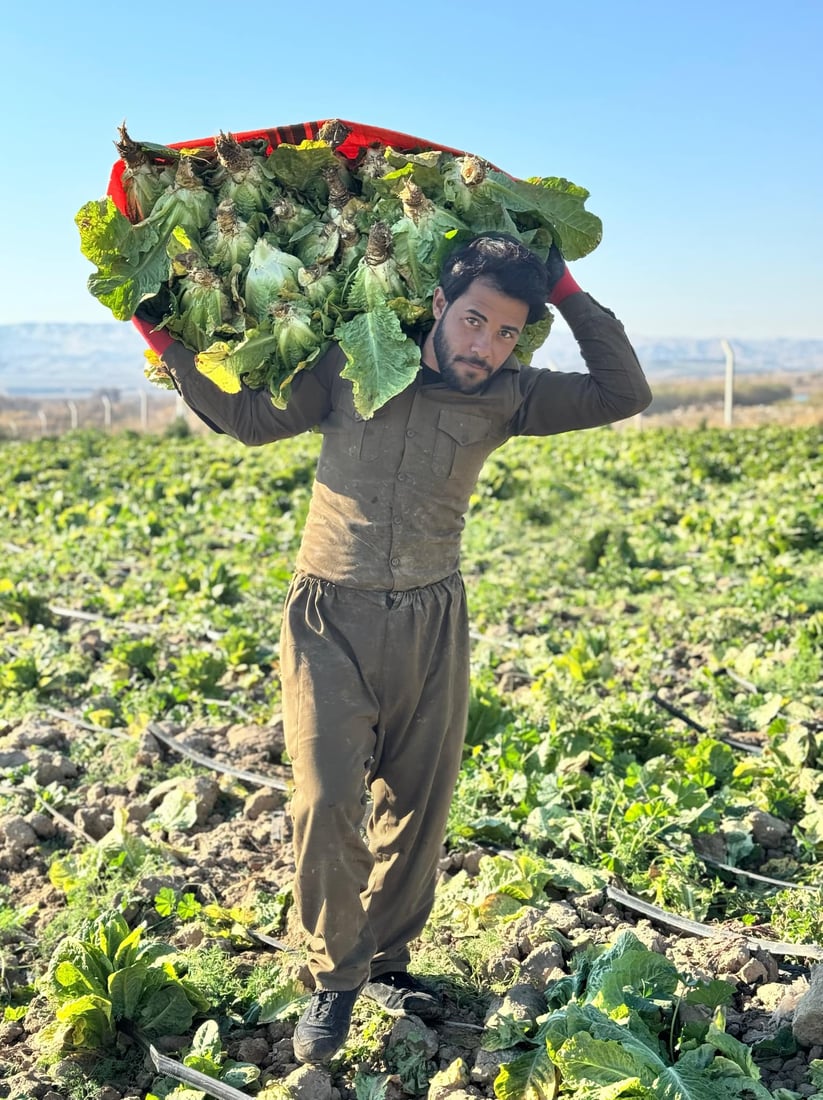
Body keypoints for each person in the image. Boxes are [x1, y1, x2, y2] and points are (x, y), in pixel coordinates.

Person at [135, 233, 652, 1064]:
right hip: (328, 616)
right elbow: (249, 420)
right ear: (439, 305)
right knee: (325, 799)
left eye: (506, 333)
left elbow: (624, 392)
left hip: (430, 619)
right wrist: (161, 336)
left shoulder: (511, 396)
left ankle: (384, 961)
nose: (485, 346)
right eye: (474, 320)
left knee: (417, 805)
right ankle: (332, 977)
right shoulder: (354, 362)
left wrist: (565, 291)